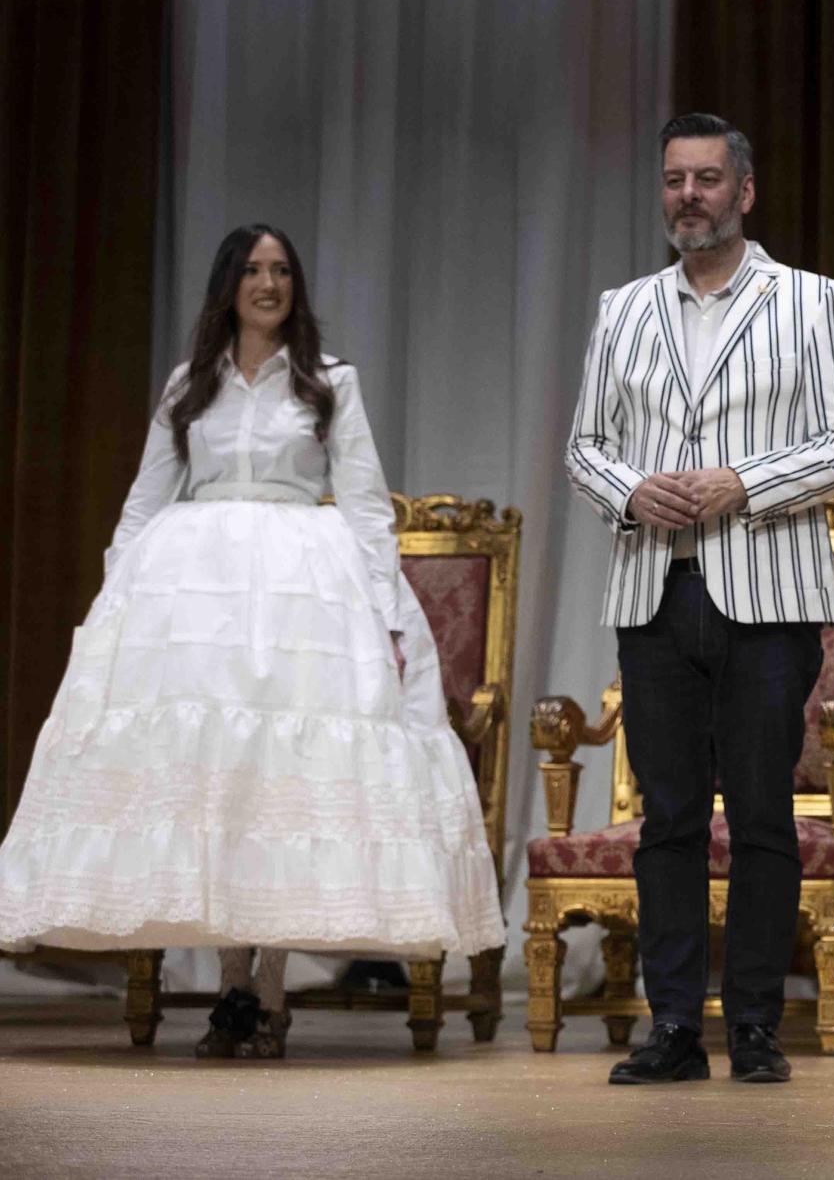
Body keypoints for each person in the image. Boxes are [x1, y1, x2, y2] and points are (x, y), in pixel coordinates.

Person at [0, 223, 505, 1058]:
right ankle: (230, 986)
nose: (267, 283)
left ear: (294, 286)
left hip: (304, 587)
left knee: (283, 774)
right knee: (213, 775)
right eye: (252, 269)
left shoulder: (328, 382)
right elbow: (144, 497)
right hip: (194, 596)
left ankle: (268, 991)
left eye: (280, 270)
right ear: (227, 284)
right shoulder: (189, 385)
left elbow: (367, 502)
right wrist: (113, 602)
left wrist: (388, 608)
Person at [565, 113, 834, 1087]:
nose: (688, 195)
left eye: (706, 179)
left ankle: (751, 1024)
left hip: (764, 591)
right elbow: (584, 444)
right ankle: (668, 1024)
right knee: (665, 816)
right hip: (654, 590)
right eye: (673, 180)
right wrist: (629, 488)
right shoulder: (623, 309)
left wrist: (744, 479)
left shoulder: (811, 302)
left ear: (743, 191)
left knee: (758, 816)